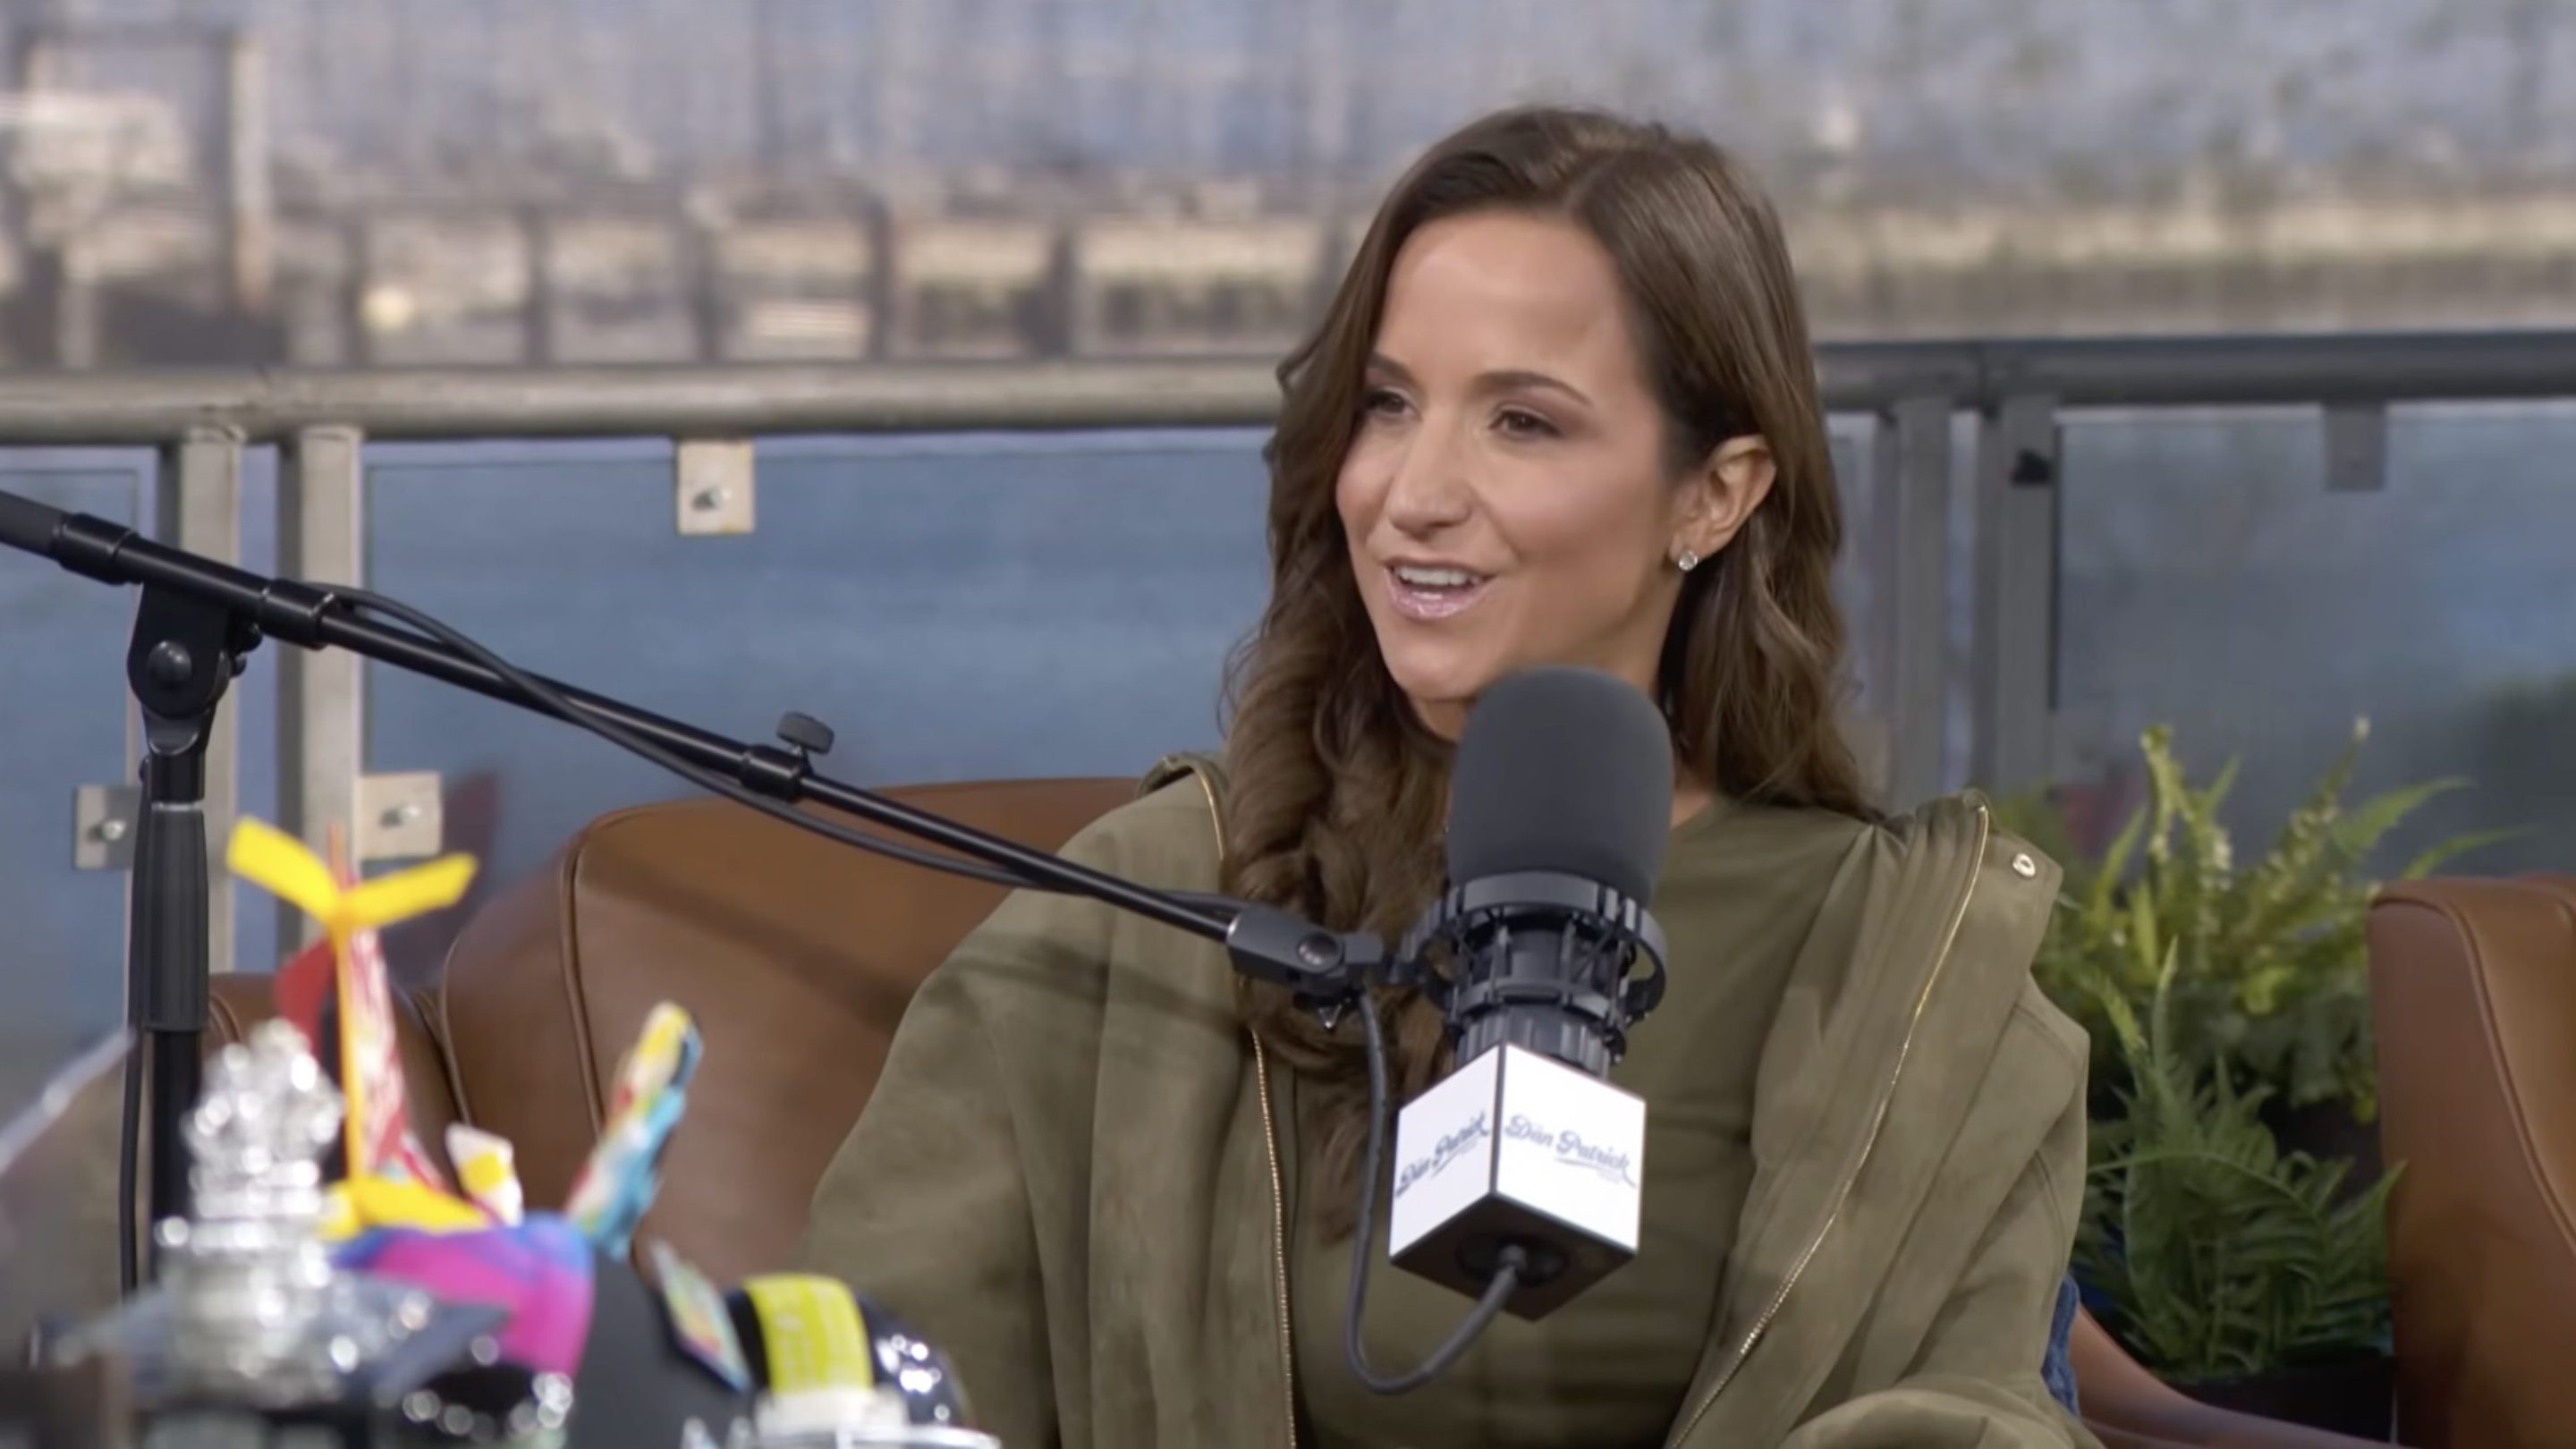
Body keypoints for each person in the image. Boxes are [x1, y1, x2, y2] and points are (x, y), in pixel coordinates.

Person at [801, 106, 2096, 1449]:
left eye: (1522, 422)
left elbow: (1978, 1407)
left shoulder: (1902, 967)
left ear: (1714, 494)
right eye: (1388, 405)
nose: (1412, 492)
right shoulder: (1150, 905)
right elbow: (860, 1385)